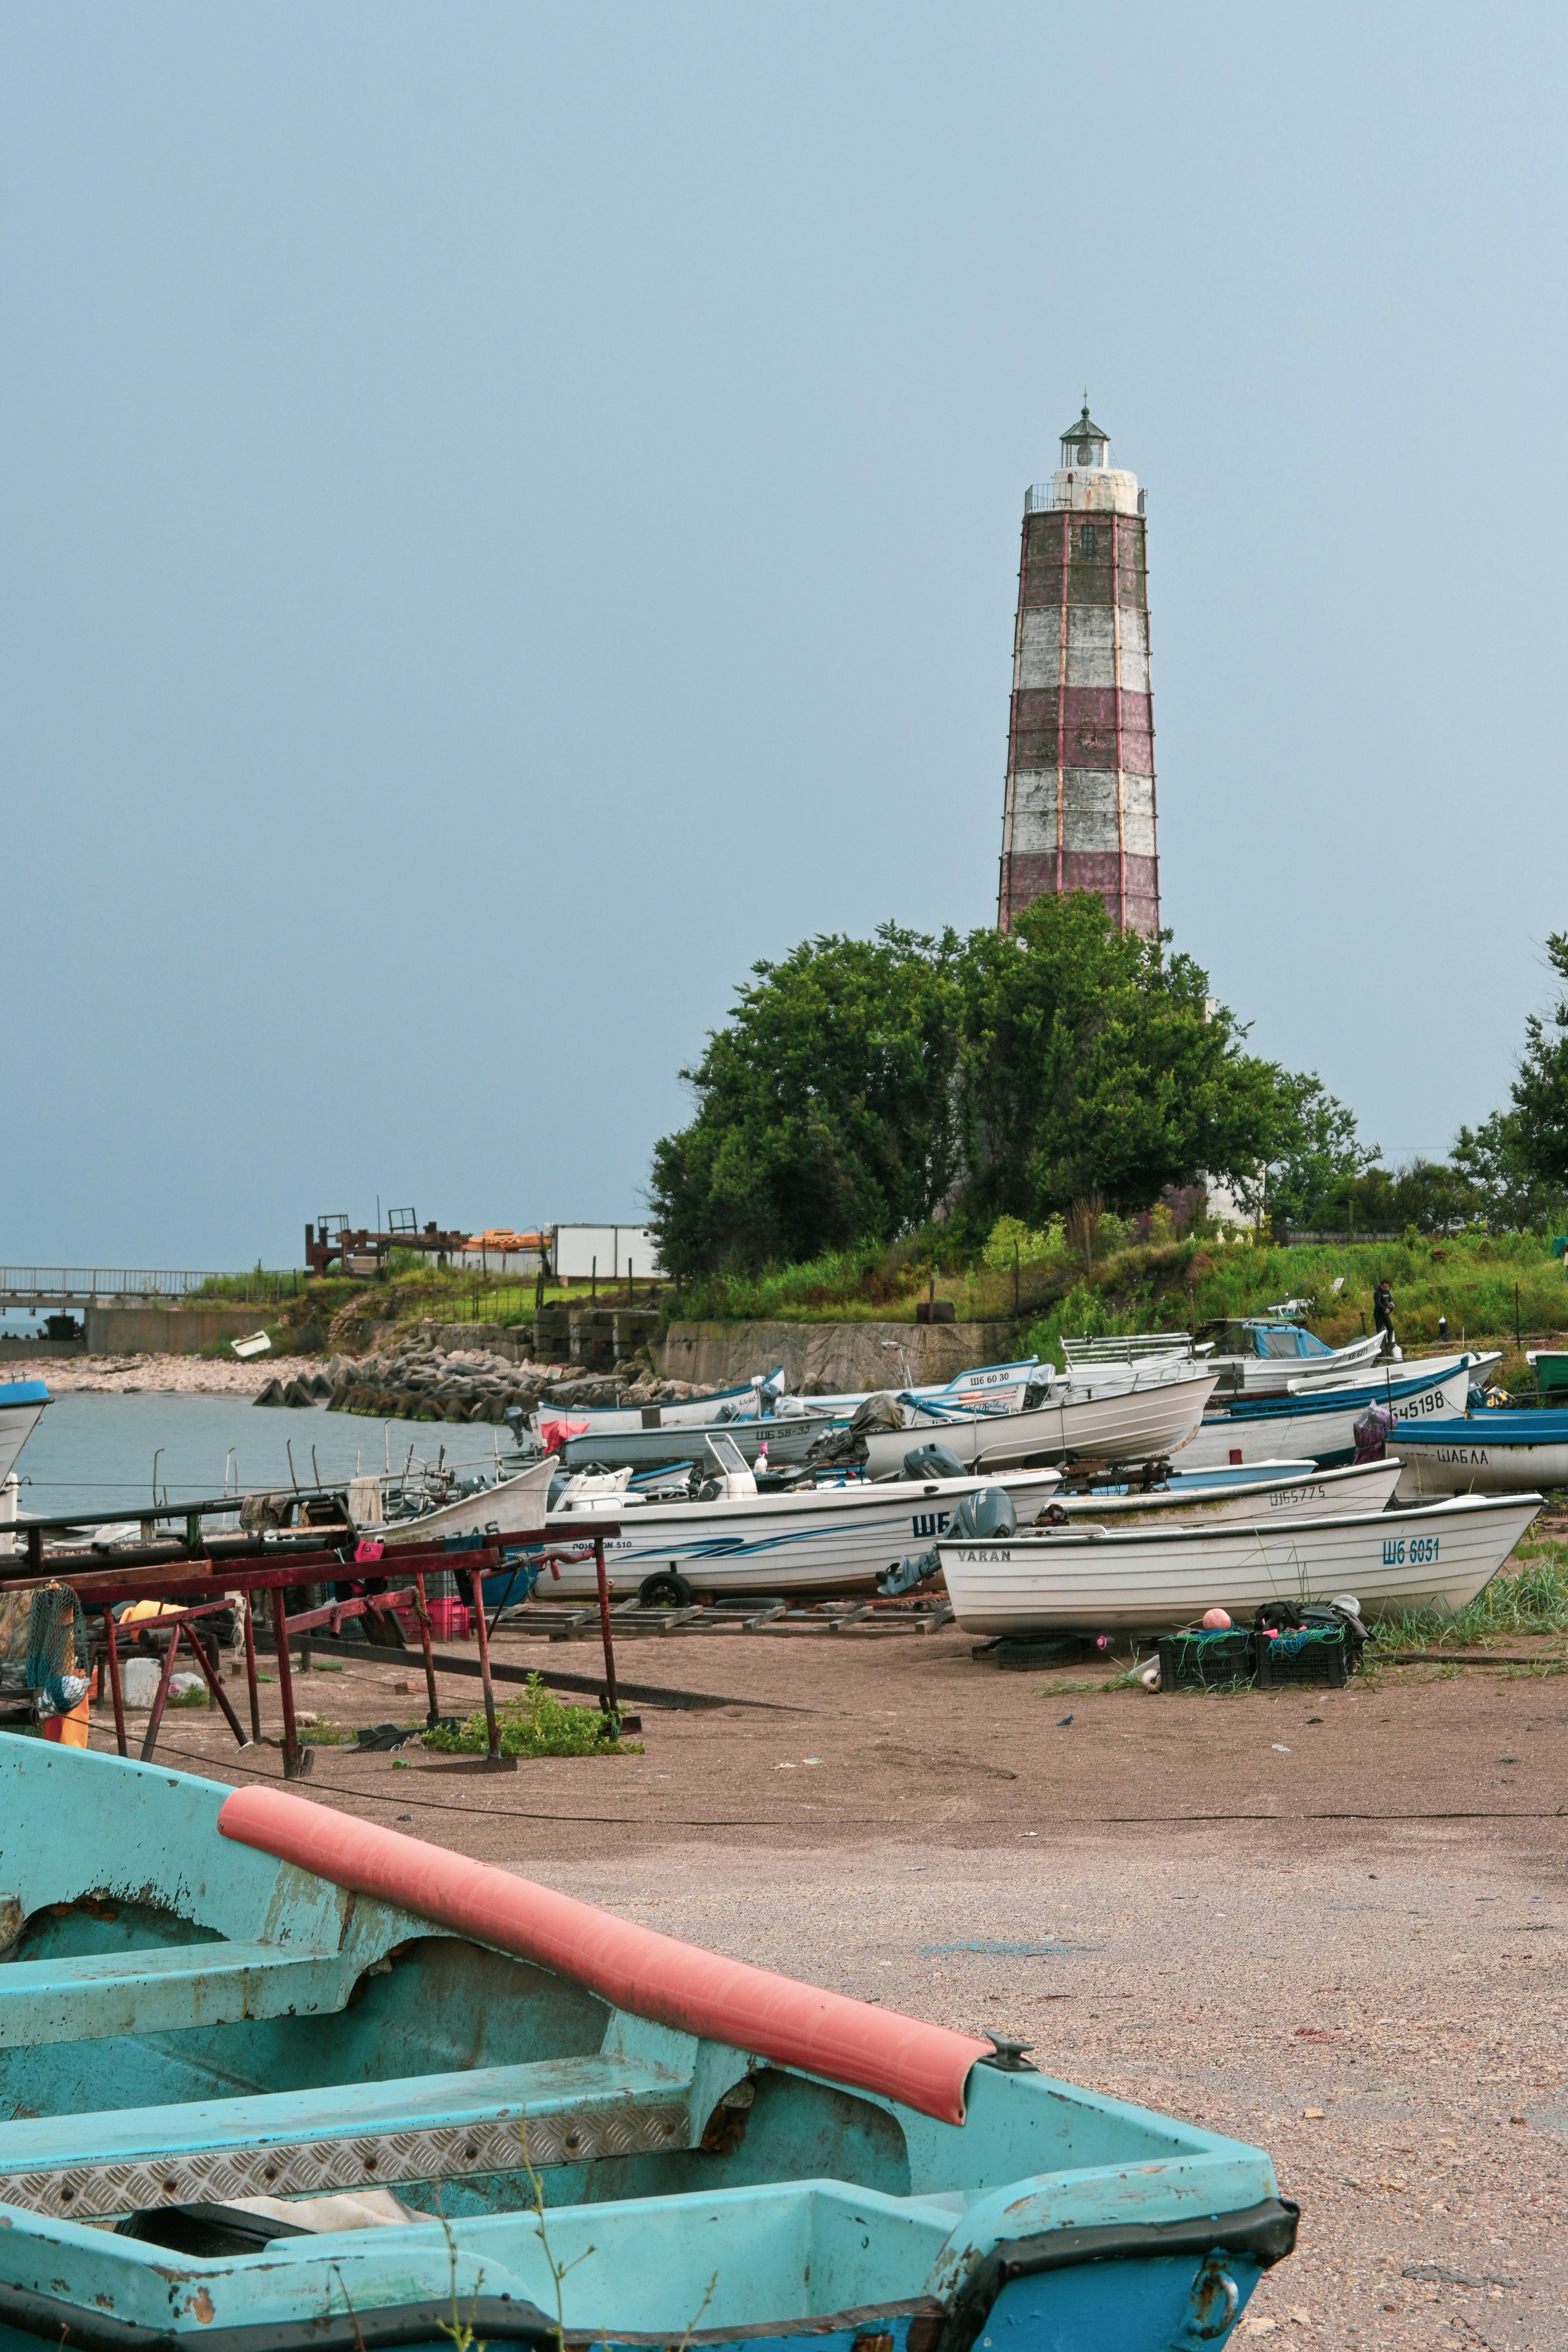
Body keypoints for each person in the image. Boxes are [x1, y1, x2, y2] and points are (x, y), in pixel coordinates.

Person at [1372, 1278, 1395, 1354]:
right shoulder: (1378, 1293)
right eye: (1385, 1287)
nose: (1386, 1288)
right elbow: (1378, 1303)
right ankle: (1379, 1347)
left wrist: (1392, 1303)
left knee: (1391, 1328)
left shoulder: (1387, 1291)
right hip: (1379, 1314)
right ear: (1381, 1285)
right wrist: (1385, 1309)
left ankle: (1390, 1343)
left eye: (1387, 1287)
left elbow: (1391, 1299)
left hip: (1386, 1314)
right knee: (1380, 1331)